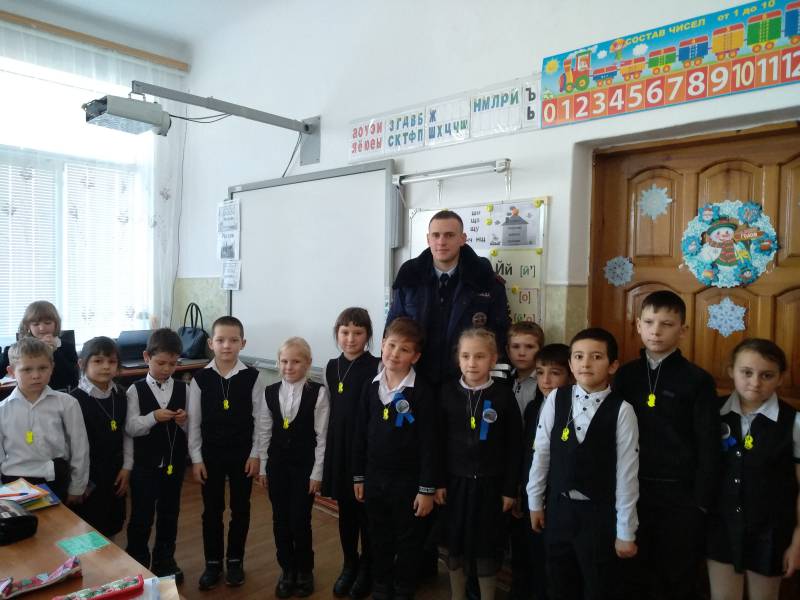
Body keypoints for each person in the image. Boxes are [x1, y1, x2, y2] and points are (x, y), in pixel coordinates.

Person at [613, 290, 719, 600]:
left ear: (683, 330)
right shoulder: (625, 375)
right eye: (649, 322)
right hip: (632, 491)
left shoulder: (697, 380)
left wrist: (701, 502)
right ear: (638, 325)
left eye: (667, 324)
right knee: (632, 574)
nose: (656, 331)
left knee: (677, 576)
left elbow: (709, 445)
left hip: (680, 497)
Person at [528, 328, 639, 600]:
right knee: (558, 583)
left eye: (596, 357)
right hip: (559, 509)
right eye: (578, 356)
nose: (586, 363)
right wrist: (535, 501)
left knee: (597, 585)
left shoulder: (622, 410)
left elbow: (627, 474)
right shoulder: (556, 398)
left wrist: (625, 530)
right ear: (570, 363)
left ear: (613, 365)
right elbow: (541, 453)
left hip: (598, 515)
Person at [707, 338, 800, 600]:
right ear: (731, 371)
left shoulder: (793, 422)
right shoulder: (712, 413)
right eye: (746, 372)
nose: (755, 382)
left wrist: (798, 540)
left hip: (772, 531)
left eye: (767, 375)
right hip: (721, 526)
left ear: (781, 378)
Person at [352, 317, 437, 600]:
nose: (395, 354)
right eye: (391, 345)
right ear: (382, 345)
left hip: (408, 481)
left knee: (408, 537)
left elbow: (430, 445)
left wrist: (426, 489)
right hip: (374, 478)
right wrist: (359, 476)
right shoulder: (370, 387)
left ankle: (403, 587)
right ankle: (381, 584)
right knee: (378, 535)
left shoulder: (422, 392)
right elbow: (360, 435)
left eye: (404, 349)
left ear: (416, 356)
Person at [436, 328, 521, 600]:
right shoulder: (447, 393)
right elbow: (437, 443)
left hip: (491, 486)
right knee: (456, 542)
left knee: (487, 545)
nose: (472, 363)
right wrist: (438, 482)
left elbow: (514, 446)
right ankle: (457, 595)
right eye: (466, 356)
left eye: (480, 356)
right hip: (455, 484)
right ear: (458, 358)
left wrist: (509, 489)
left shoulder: (504, 396)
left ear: (493, 359)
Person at [386, 210, 510, 386]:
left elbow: (499, 335)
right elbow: (393, 329)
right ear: (428, 239)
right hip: (415, 381)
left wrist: (492, 386)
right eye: (436, 235)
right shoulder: (409, 277)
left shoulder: (485, 279)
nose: (441, 242)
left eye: (449, 235)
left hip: (466, 383)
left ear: (462, 239)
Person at [189, 316, 264, 590]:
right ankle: (212, 563)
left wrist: (255, 454)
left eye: (233, 340)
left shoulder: (253, 377)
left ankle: (235, 561)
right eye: (220, 340)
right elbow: (194, 423)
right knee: (212, 510)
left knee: (240, 509)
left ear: (243, 343)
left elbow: (260, 420)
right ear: (211, 343)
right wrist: (196, 459)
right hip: (210, 456)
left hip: (242, 456)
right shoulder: (200, 379)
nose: (227, 345)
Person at [258, 337, 329, 598]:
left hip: (304, 469)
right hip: (277, 467)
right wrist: (263, 467)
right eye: (284, 361)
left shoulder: (318, 393)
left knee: (300, 520)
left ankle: (305, 570)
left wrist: (317, 473)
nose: (289, 367)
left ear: (308, 363)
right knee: (280, 519)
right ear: (278, 363)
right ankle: (287, 569)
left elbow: (322, 437)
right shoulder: (269, 392)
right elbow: (264, 431)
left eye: (296, 361)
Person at [322, 307, 381, 599]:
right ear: (337, 333)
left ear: (368, 336)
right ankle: (350, 564)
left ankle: (368, 568)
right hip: (339, 449)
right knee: (345, 512)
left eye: (358, 332)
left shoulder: (377, 366)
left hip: (365, 450)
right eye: (345, 332)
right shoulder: (331, 367)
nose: (350, 338)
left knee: (366, 514)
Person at [125, 328, 188, 583]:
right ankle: (137, 562)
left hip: (173, 464)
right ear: (146, 357)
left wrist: (183, 421)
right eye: (161, 363)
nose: (167, 369)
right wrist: (153, 417)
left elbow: (192, 428)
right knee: (141, 515)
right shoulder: (135, 390)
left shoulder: (184, 388)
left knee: (169, 514)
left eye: (172, 364)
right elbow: (131, 427)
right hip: (144, 466)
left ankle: (165, 560)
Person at [0, 337, 89, 504]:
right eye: (27, 369)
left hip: (55, 479)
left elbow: (80, 448)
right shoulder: (2, 410)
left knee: (59, 520)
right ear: (11, 372)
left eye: (42, 368)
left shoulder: (67, 403)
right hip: (13, 482)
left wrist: (77, 487)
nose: (36, 375)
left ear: (52, 368)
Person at [520, 342, 571, 600]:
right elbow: (528, 454)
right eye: (540, 373)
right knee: (532, 556)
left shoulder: (571, 410)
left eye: (555, 373)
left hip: (559, 495)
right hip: (532, 493)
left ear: (570, 375)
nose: (546, 380)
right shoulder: (533, 407)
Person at [71, 336, 131, 538]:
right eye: (98, 361)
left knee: (112, 523)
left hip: (115, 471)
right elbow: (72, 447)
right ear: (82, 364)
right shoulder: (74, 400)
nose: (106, 366)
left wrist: (126, 468)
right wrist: (79, 483)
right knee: (88, 528)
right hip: (88, 476)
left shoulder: (121, 395)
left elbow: (127, 435)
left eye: (112, 361)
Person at [504, 320, 543, 600]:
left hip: (531, 464)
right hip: (506, 463)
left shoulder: (543, 385)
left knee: (530, 539)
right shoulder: (503, 381)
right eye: (515, 346)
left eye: (529, 347)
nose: (521, 352)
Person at [0, 300, 79, 391]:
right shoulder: (16, 349)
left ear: (56, 324)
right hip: (28, 396)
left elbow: (73, 380)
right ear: (28, 326)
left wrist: (55, 352)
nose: (42, 328)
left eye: (47, 323)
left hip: (60, 395)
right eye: (36, 324)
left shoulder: (67, 347)